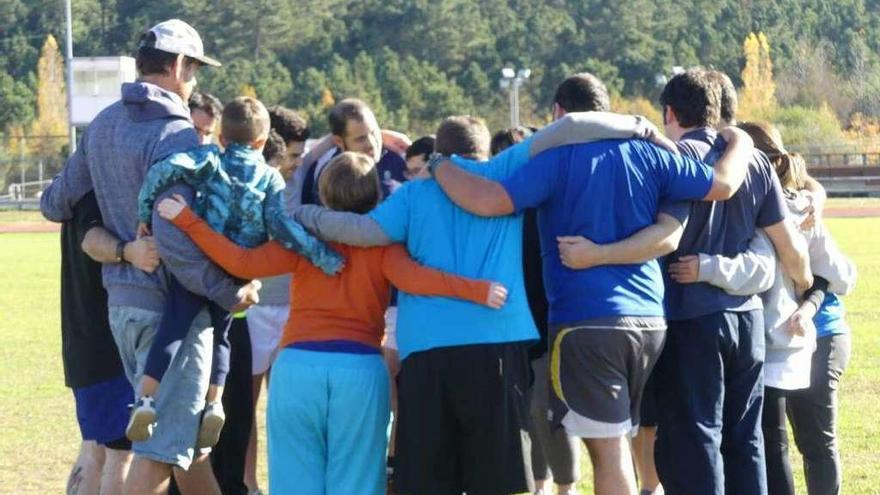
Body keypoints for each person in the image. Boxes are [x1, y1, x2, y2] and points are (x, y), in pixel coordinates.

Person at [290, 106, 683, 494]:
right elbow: (571, 124)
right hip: (498, 343)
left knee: (429, 479)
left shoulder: (412, 195)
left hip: (427, 349)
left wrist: (304, 214)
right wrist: (641, 127)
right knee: (498, 479)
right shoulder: (506, 172)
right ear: (484, 151)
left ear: (440, 154)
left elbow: (361, 230)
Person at [157, 150, 509, 495]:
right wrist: (479, 291)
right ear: (375, 193)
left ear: (323, 193)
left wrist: (188, 219)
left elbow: (241, 262)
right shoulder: (384, 246)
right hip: (360, 373)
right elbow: (421, 279)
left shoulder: (302, 240)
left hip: (297, 369)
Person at [40, 19, 258, 494]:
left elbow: (55, 203)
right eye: (195, 70)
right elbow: (177, 241)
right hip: (171, 313)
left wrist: (114, 236)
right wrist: (229, 290)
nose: (195, 80)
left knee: (184, 448)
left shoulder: (102, 123)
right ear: (178, 65)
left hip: (120, 308)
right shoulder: (177, 133)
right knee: (164, 452)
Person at [132, 96, 343, 447]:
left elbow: (162, 172)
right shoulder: (270, 177)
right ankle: (214, 403)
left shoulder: (208, 159)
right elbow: (280, 225)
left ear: (222, 138)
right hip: (237, 272)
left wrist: (144, 212)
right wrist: (321, 256)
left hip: (201, 261)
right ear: (262, 142)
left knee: (173, 327)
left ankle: (146, 399)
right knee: (223, 337)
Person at [670, 122, 857, 495]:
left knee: (810, 441)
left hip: (818, 334)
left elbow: (840, 275)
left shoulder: (795, 210)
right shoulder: (764, 208)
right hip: (774, 339)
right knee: (774, 445)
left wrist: (809, 297)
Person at [492, 126, 582, 495]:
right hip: (511, 326)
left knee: (551, 413)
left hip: (548, 323)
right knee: (526, 414)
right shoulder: (497, 210)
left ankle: (565, 487)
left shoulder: (547, 204)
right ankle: (539, 485)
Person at [62, 192, 160, 495]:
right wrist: (128, 250)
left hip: (85, 341)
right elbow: (91, 241)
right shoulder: (95, 187)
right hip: (108, 344)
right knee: (120, 455)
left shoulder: (75, 185)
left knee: (95, 448)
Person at [290, 98, 408, 206]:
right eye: (360, 139)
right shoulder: (327, 175)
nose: (371, 144)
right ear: (339, 141)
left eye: (373, 133)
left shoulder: (400, 159)